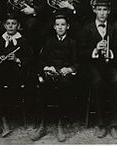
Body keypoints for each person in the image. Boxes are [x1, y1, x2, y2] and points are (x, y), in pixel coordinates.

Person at [79, 0, 117, 139]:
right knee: (97, 82)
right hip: (93, 66)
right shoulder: (86, 28)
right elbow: (81, 52)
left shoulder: (114, 29)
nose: (102, 13)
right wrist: (95, 50)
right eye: (99, 10)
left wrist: (110, 52)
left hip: (109, 66)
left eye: (105, 10)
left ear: (109, 11)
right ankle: (101, 123)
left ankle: (114, 123)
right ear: (94, 10)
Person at [31, 14, 78, 142]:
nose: (60, 27)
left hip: (64, 75)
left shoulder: (72, 42)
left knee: (64, 87)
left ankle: (60, 124)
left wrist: (69, 69)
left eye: (63, 25)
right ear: (54, 27)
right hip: (51, 73)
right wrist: (47, 67)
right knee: (42, 88)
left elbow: (77, 62)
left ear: (68, 26)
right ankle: (42, 125)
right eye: (57, 25)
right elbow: (41, 60)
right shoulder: (49, 41)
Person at [0, 13, 32, 137]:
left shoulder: (23, 41)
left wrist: (16, 59)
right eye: (8, 24)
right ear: (4, 26)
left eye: (13, 24)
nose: (10, 26)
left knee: (7, 89)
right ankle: (3, 122)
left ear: (18, 26)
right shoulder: (0, 40)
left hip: (17, 73)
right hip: (1, 72)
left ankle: (2, 122)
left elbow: (30, 59)